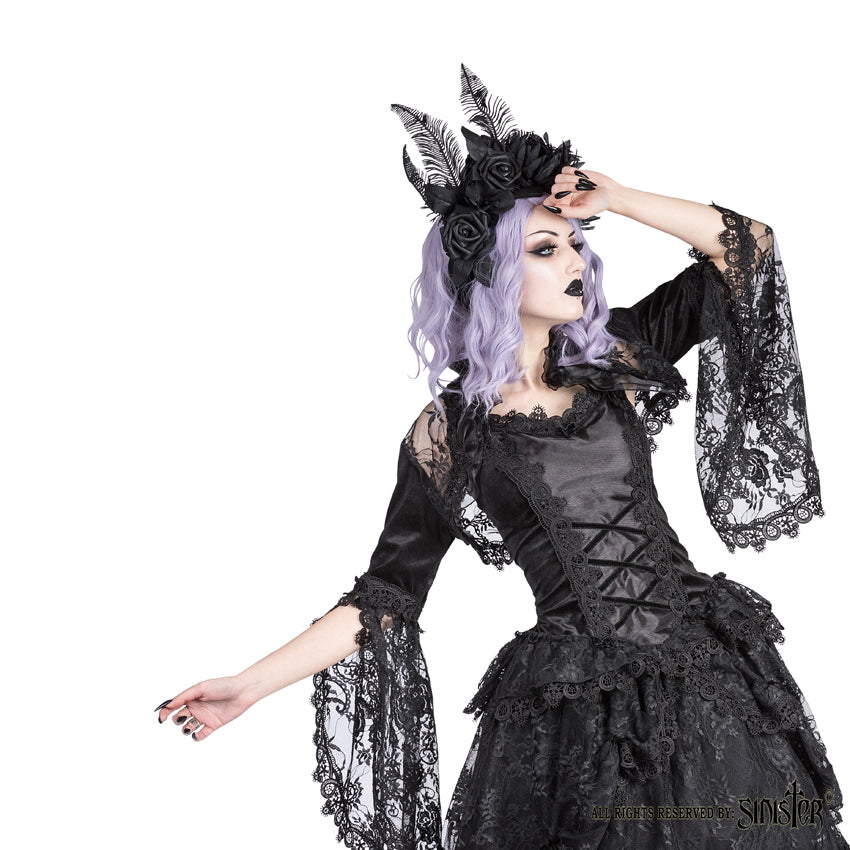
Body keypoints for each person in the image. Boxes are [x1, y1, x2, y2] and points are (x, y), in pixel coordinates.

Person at [154, 64, 847, 849]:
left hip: (707, 682)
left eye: (577, 245)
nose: (576, 262)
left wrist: (618, 198)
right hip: (579, 712)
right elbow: (388, 595)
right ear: (491, 271)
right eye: (546, 249)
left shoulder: (616, 356)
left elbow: (749, 247)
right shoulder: (451, 432)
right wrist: (250, 685)